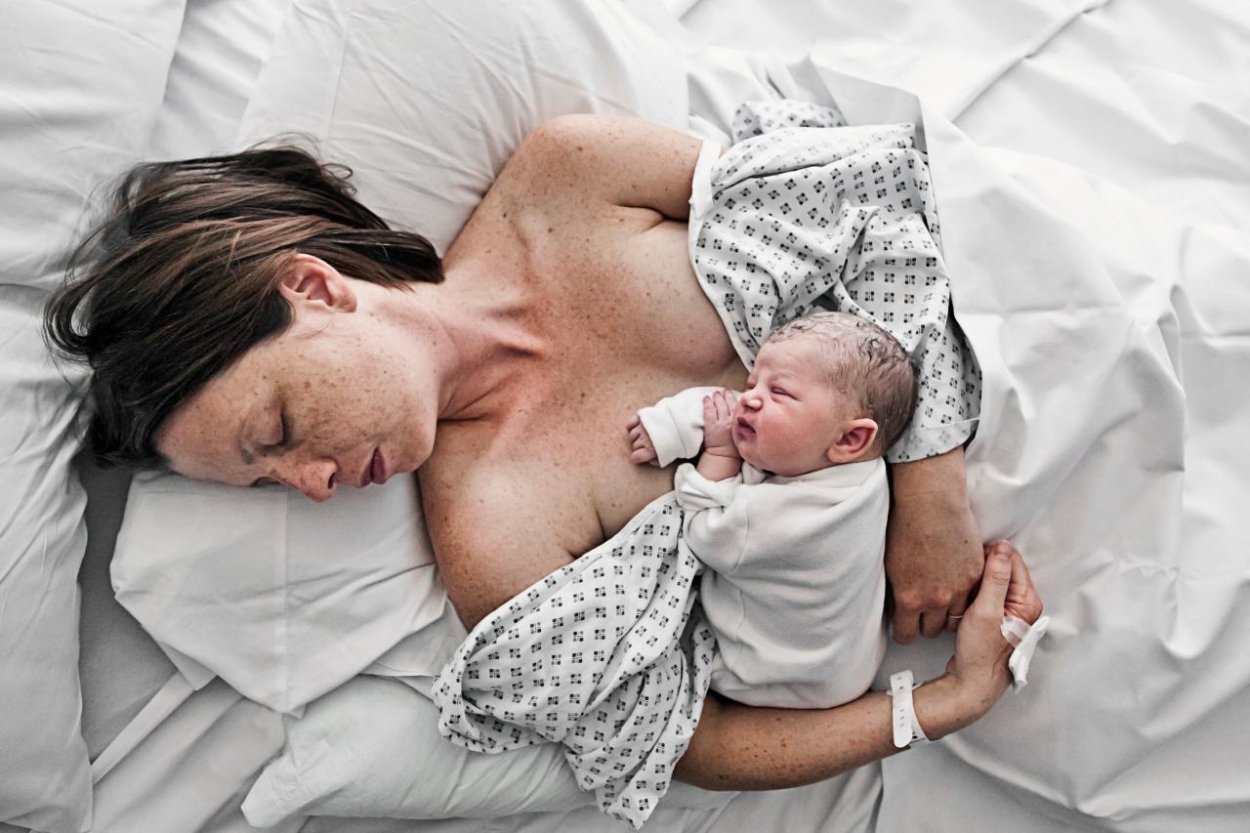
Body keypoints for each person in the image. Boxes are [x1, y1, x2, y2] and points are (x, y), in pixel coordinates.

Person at [45, 111, 1043, 810]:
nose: (309, 483)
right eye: (269, 483)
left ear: (314, 288)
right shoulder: (492, 533)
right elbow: (688, 738)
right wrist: (942, 705)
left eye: (276, 431)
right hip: (1010, 609)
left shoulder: (571, 176)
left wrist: (929, 480)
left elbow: (875, 200)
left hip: (1015, 349)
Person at [626, 311, 916, 709]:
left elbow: (703, 533)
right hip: (853, 664)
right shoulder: (866, 472)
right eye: (751, 383)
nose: (747, 398)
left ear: (849, 439)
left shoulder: (775, 522)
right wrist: (672, 425)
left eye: (779, 392)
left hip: (775, 679)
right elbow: (722, 407)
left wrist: (720, 452)